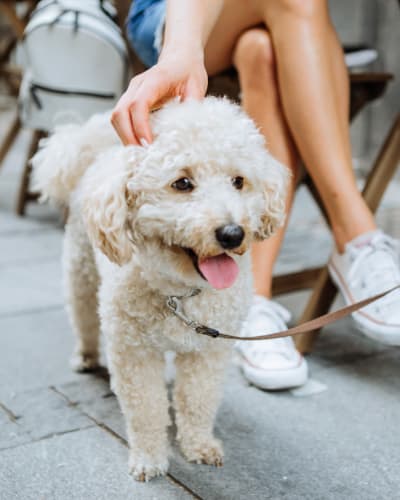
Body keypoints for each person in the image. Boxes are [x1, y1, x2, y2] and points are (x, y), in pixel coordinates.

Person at [111, 0, 400, 390]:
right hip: (173, 17)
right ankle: (356, 235)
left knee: (259, 50)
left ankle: (252, 298)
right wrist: (181, 52)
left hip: (275, 25)